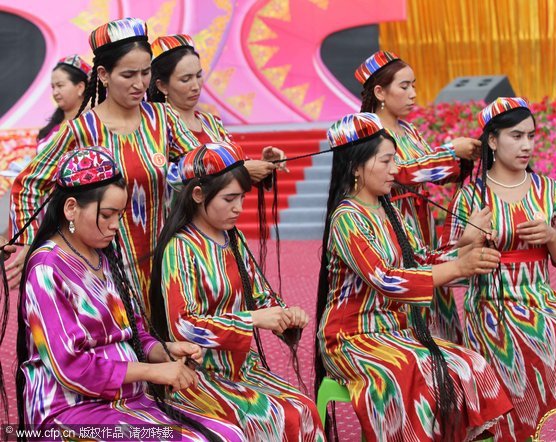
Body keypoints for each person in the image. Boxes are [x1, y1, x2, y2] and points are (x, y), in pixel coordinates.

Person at [12, 147, 245, 441]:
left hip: (124, 401)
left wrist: (163, 352)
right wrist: (152, 373)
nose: (115, 225)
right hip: (69, 411)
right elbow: (70, 367)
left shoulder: (101, 256)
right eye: (107, 214)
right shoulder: (47, 269)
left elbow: (131, 329)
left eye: (119, 215)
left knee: (229, 434)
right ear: (71, 208)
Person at [315, 113, 512, 441]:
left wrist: (466, 252)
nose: (396, 169)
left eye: (396, 161)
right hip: (351, 338)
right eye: (388, 161)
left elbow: (422, 259)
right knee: (416, 370)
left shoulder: (388, 210)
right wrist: (459, 266)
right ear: (356, 167)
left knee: (469, 364)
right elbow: (388, 279)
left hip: (393, 331)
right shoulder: (346, 218)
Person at [9, 18, 201, 313]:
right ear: (104, 74)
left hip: (165, 265)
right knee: (126, 350)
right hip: (106, 270)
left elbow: (202, 165)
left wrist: (249, 165)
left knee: (169, 349)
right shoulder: (83, 130)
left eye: (146, 72)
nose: (140, 84)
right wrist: (28, 242)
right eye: (128, 75)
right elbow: (29, 184)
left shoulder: (163, 119)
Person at [441, 97, 556, 441]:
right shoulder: (472, 196)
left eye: (531, 136)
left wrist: (550, 236)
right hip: (492, 306)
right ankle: (536, 431)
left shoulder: (547, 189)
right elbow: (447, 261)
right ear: (493, 141)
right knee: (551, 340)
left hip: (541, 298)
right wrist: (471, 240)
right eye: (516, 136)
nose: (527, 144)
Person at [149, 141, 324, 441]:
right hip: (198, 374)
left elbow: (260, 295)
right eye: (229, 199)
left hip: (241, 367)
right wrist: (253, 319)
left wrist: (285, 316)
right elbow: (183, 326)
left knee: (303, 409)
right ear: (198, 195)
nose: (238, 208)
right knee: (273, 416)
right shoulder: (180, 248)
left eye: (242, 198)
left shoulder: (233, 238)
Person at [356, 51, 481, 343]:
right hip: (389, 222)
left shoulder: (408, 130)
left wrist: (462, 160)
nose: (413, 94)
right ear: (379, 92)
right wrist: (449, 151)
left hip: (421, 225)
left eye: (414, 85)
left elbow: (428, 171)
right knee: (410, 287)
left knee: (435, 283)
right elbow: (402, 173)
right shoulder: (369, 132)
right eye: (404, 86)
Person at [148, 34, 286, 184]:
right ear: (162, 86)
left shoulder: (211, 123)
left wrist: (263, 165)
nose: (196, 86)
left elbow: (236, 166)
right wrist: (241, 171)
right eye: (185, 79)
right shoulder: (158, 126)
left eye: (198, 75)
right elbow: (161, 176)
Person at [37, 55, 91, 143]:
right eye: (53, 87)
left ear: (80, 87)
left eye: (60, 85)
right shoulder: (52, 127)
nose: (55, 92)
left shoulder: (91, 125)